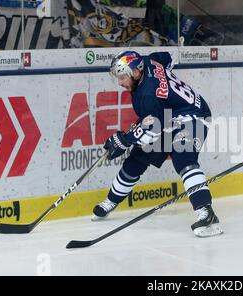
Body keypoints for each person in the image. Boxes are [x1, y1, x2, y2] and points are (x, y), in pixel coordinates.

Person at [92, 50, 223, 237]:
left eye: (122, 77)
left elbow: (152, 131)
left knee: (183, 157)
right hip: (168, 116)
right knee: (137, 159)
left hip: (194, 116)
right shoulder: (149, 60)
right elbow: (169, 57)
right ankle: (110, 201)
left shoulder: (147, 95)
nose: (120, 83)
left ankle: (206, 213)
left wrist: (124, 140)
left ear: (136, 73)